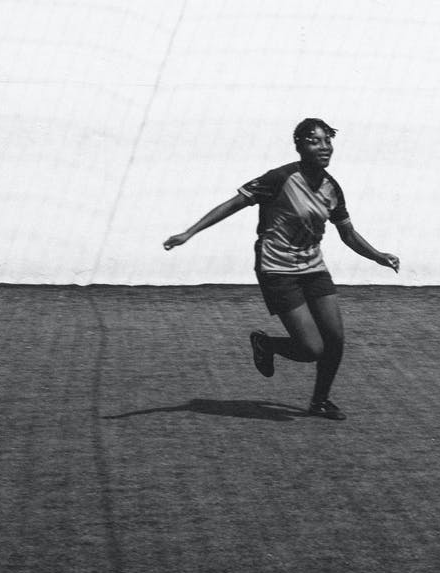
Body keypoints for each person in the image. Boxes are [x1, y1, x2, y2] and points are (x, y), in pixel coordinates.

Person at [163, 118, 399, 420]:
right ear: (299, 145)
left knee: (335, 339)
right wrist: (189, 233)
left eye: (327, 140)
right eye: (314, 140)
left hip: (313, 267)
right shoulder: (280, 178)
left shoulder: (332, 187)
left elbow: (347, 233)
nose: (324, 146)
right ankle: (267, 343)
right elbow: (233, 204)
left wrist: (378, 256)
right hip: (277, 269)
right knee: (312, 348)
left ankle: (320, 401)